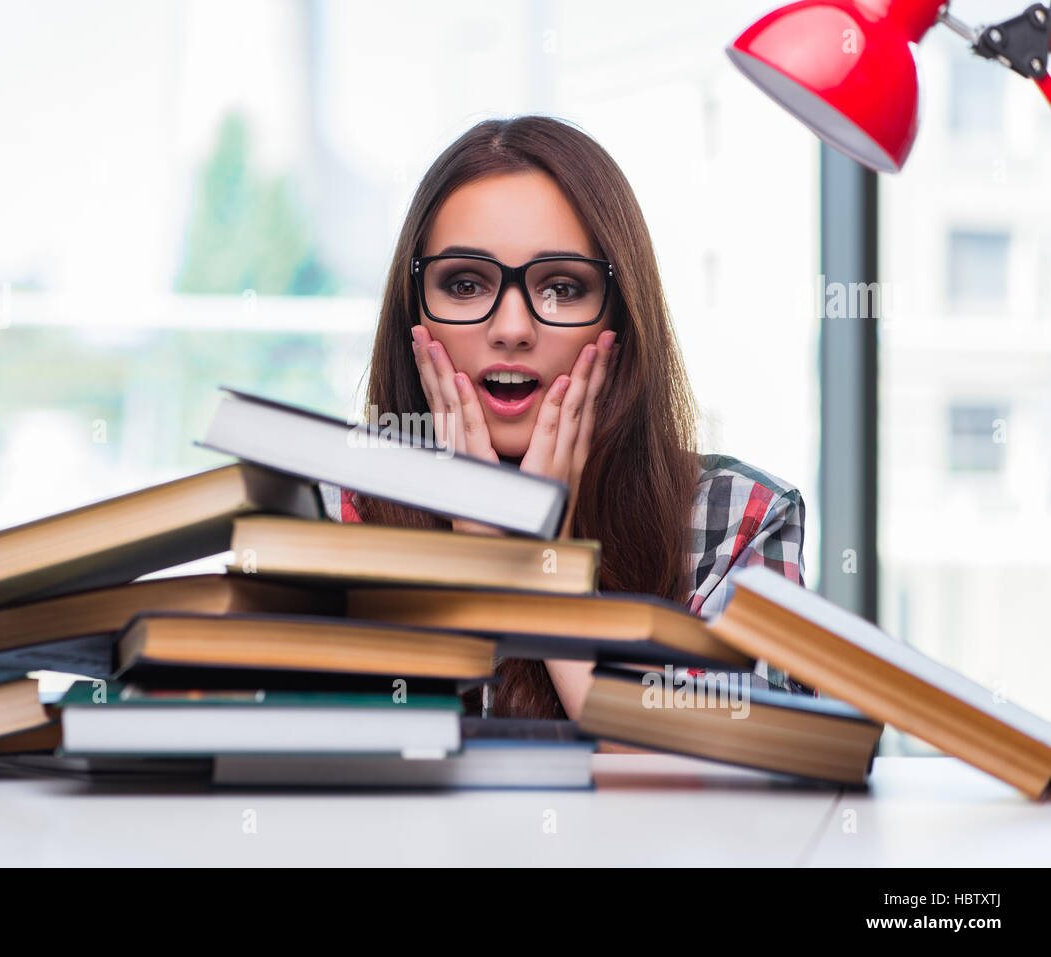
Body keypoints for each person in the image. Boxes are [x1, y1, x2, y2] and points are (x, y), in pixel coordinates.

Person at [320, 114, 814, 720]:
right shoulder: (330, 516)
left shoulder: (739, 518)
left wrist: (541, 565)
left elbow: (745, 777)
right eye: (466, 284)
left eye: (561, 287)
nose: (511, 329)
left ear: (620, 321)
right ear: (413, 315)